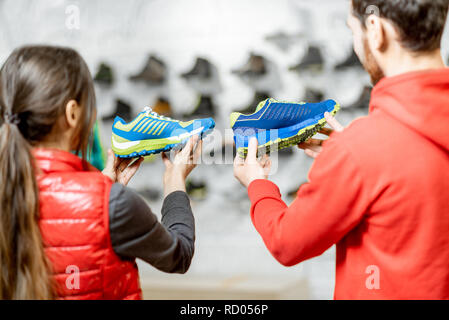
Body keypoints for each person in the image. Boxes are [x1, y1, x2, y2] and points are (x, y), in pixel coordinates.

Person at [234, 0, 449, 299]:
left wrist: (257, 183)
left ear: (375, 29)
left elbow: (286, 242)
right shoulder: (364, 148)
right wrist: (357, 157)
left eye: (352, 31)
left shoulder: (362, 149)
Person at [0, 45, 202, 300]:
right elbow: (179, 255)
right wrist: (176, 185)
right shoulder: (113, 203)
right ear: (72, 114)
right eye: (89, 104)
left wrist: (100, 188)